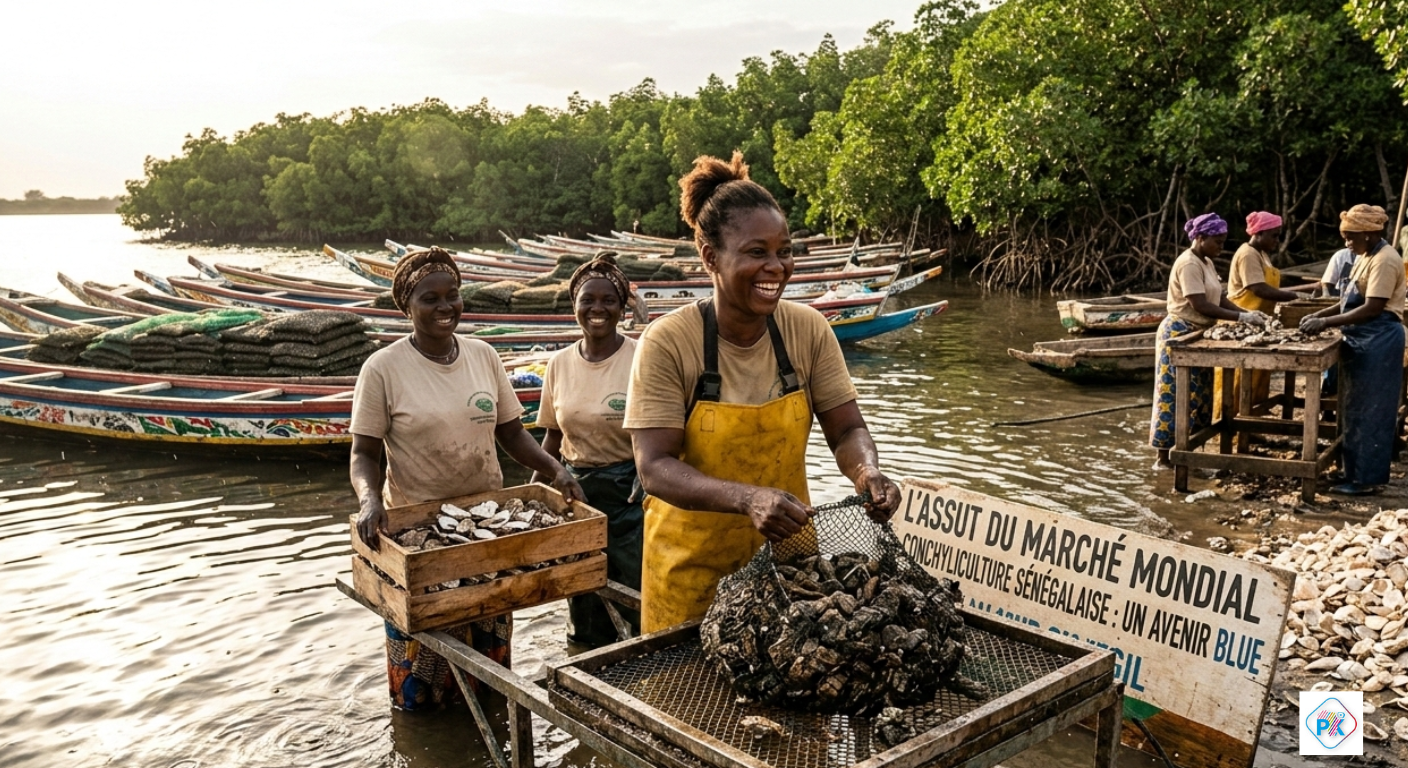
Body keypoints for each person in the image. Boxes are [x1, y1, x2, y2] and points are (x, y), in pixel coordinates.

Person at [624, 152, 902, 633]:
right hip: (691, 574)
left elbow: (848, 428)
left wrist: (867, 471)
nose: (776, 268)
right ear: (711, 257)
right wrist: (747, 498)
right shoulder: (668, 342)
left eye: (784, 251)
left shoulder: (809, 330)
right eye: (757, 252)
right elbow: (655, 468)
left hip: (789, 569)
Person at [350, 247, 583, 709]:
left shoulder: (483, 356)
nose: (444, 307)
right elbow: (363, 454)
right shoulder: (382, 368)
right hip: (419, 538)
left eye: (452, 296)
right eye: (429, 299)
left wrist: (556, 469)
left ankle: (487, 728)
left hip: (486, 531)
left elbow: (512, 434)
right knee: (422, 683)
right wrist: (368, 501)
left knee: (491, 673)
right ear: (406, 306)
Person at [532, 253, 644, 648]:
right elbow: (552, 439)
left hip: (633, 494)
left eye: (608, 300)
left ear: (622, 307)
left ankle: (644, 673)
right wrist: (533, 495)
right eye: (588, 301)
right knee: (583, 594)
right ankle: (587, 668)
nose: (597, 309)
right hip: (578, 494)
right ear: (574, 307)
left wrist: (651, 479)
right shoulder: (559, 364)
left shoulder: (642, 357)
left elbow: (669, 432)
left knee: (637, 598)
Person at [1151, 213, 1272, 469]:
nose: (1221, 247)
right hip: (1179, 334)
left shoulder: (1205, 261)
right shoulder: (1188, 264)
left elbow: (1219, 299)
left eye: (1223, 241)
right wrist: (1240, 317)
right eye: (1217, 241)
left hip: (1199, 333)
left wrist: (1245, 314)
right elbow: (1200, 304)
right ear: (1201, 238)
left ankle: (1192, 453)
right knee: (1174, 397)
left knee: (1200, 396)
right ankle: (1164, 459)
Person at [1300, 204, 1406, 495]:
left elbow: (1372, 308)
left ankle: (1366, 480)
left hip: (1379, 337)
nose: (1347, 243)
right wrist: (1322, 314)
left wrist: (1326, 322)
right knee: (1353, 409)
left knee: (1372, 411)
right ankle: (1351, 471)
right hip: (1360, 338)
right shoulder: (1365, 256)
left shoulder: (1384, 259)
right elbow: (1349, 300)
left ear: (1369, 235)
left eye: (1350, 237)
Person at [1216, 211, 1313, 417]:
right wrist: (1295, 295)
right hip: (1241, 321)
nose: (1277, 240)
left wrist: (1303, 290)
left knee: (1256, 377)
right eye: (1274, 235)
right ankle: (1231, 424)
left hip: (1259, 323)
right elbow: (1259, 288)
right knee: (1238, 379)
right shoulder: (1248, 254)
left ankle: (1250, 422)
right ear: (1259, 234)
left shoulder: (1262, 255)